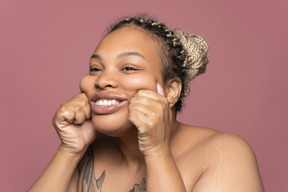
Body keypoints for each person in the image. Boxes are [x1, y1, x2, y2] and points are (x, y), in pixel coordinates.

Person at [29, 16, 264, 192]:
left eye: (128, 68)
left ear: (171, 90)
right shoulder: (88, 151)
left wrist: (156, 151)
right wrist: (69, 151)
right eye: (95, 69)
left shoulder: (224, 153)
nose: (103, 80)